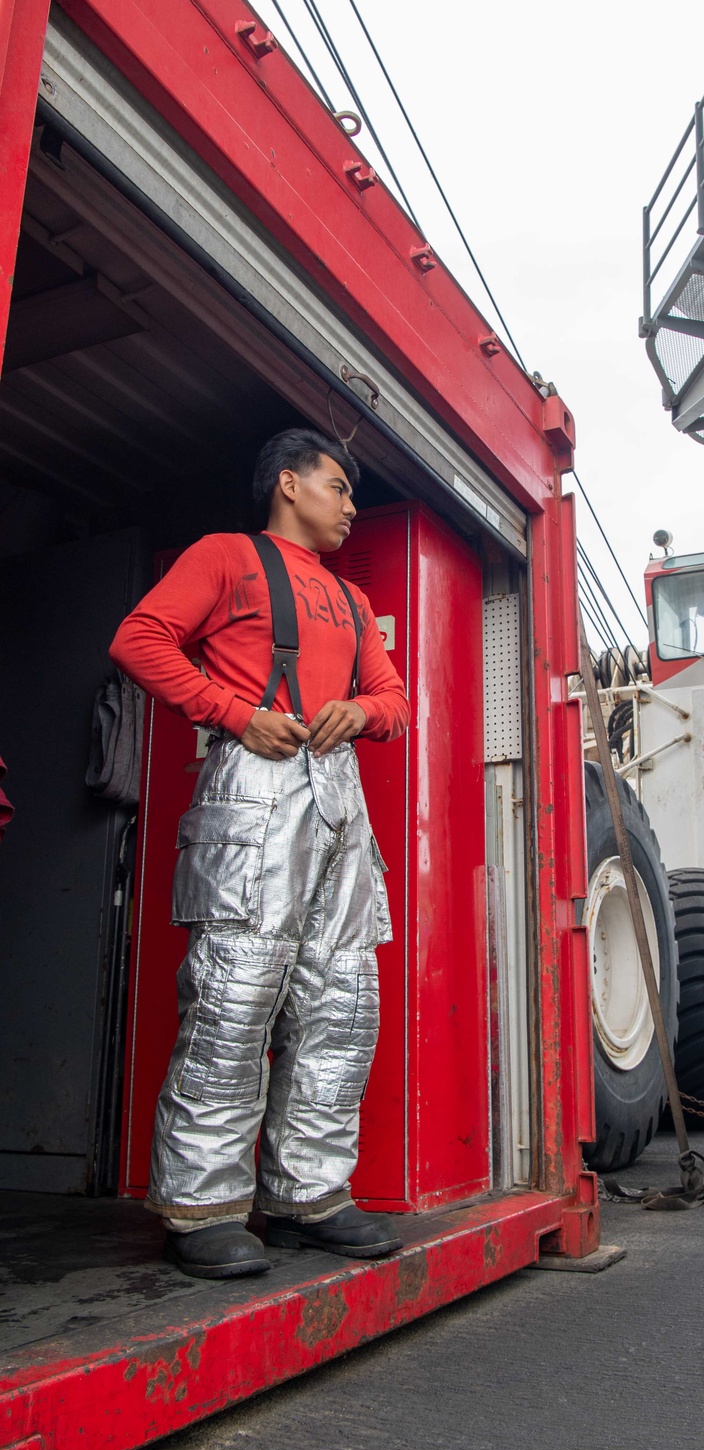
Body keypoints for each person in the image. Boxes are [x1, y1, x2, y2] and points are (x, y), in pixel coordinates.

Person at [110, 429, 409, 1279]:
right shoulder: (226, 557)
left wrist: (364, 713)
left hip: (338, 799)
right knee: (236, 994)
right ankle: (200, 1205)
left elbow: (393, 694)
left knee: (341, 1001)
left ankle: (308, 1196)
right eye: (338, 485)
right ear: (288, 484)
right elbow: (140, 640)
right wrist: (232, 712)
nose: (351, 504)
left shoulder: (349, 601)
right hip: (255, 781)